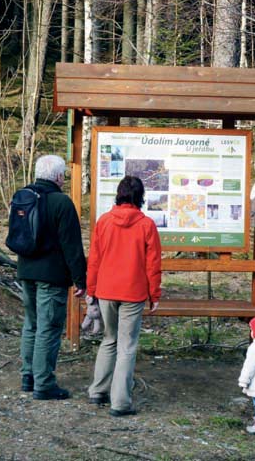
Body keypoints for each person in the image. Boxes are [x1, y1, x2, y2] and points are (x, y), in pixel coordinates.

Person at [87, 175, 162, 416]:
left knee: (109, 339)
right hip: (133, 291)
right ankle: (120, 402)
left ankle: (98, 391)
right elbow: (153, 264)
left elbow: (95, 260)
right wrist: (155, 294)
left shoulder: (104, 221)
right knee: (127, 346)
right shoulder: (146, 225)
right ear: (140, 197)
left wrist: (91, 290)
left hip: (106, 290)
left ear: (118, 195)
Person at [18, 155, 86, 400]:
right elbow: (72, 247)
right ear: (59, 177)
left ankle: (28, 376)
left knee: (31, 324)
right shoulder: (61, 203)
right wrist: (81, 280)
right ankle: (44, 383)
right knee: (48, 328)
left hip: (26, 272)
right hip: (52, 277)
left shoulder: (23, 197)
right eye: (64, 175)